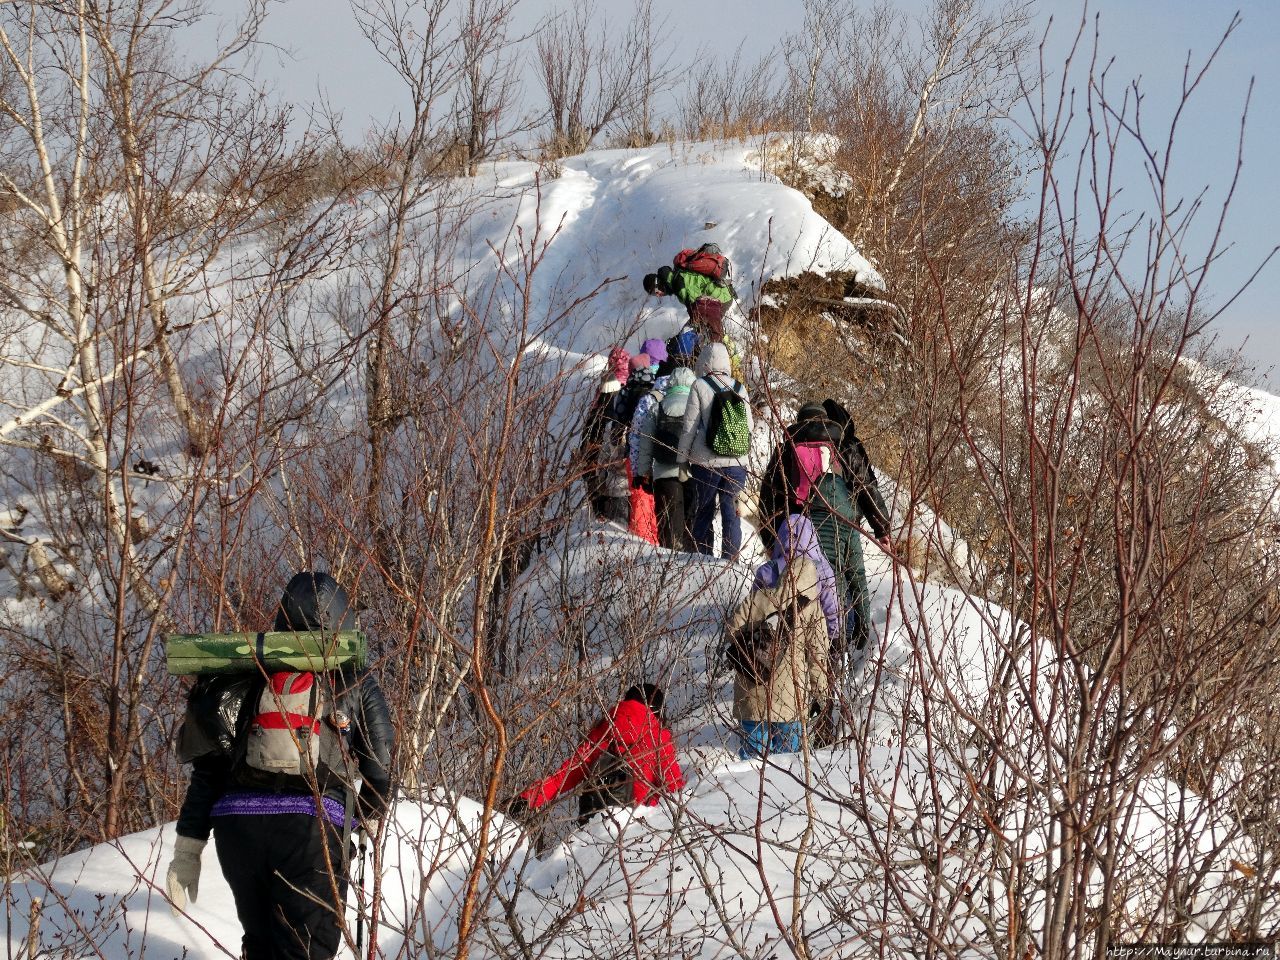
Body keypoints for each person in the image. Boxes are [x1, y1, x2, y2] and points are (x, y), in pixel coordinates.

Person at [167, 572, 394, 960]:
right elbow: (380, 762)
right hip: (311, 831)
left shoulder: (244, 674)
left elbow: (209, 771)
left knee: (261, 944)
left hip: (238, 831)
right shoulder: (354, 679)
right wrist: (369, 816)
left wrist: (188, 848)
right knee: (307, 950)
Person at [509, 684, 684, 824]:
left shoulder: (604, 730)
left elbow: (567, 774)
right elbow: (674, 790)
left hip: (596, 821)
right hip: (639, 826)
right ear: (657, 709)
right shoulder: (659, 737)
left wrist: (526, 799)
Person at [725, 556, 830, 759]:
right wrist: (820, 696)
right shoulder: (813, 609)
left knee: (753, 765)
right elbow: (818, 658)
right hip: (791, 699)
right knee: (789, 763)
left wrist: (757, 638)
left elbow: (731, 630)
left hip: (752, 691)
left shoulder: (758, 597)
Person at [677, 340, 753, 558]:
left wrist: (682, 460)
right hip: (737, 463)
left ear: (704, 362)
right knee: (732, 514)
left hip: (706, 463)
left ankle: (704, 561)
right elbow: (749, 426)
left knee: (703, 513)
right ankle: (730, 563)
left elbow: (689, 427)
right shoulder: (739, 387)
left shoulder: (700, 386)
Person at [632, 347, 696, 551]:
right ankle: (694, 564)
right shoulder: (697, 407)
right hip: (692, 472)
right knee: (692, 524)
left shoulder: (657, 406)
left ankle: (668, 568)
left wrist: (642, 473)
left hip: (663, 473)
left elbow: (645, 444)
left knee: (668, 527)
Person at [579, 346, 632, 522]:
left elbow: (591, 425)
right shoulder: (629, 388)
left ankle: (599, 514)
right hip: (620, 459)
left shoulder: (602, 390)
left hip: (598, 449)